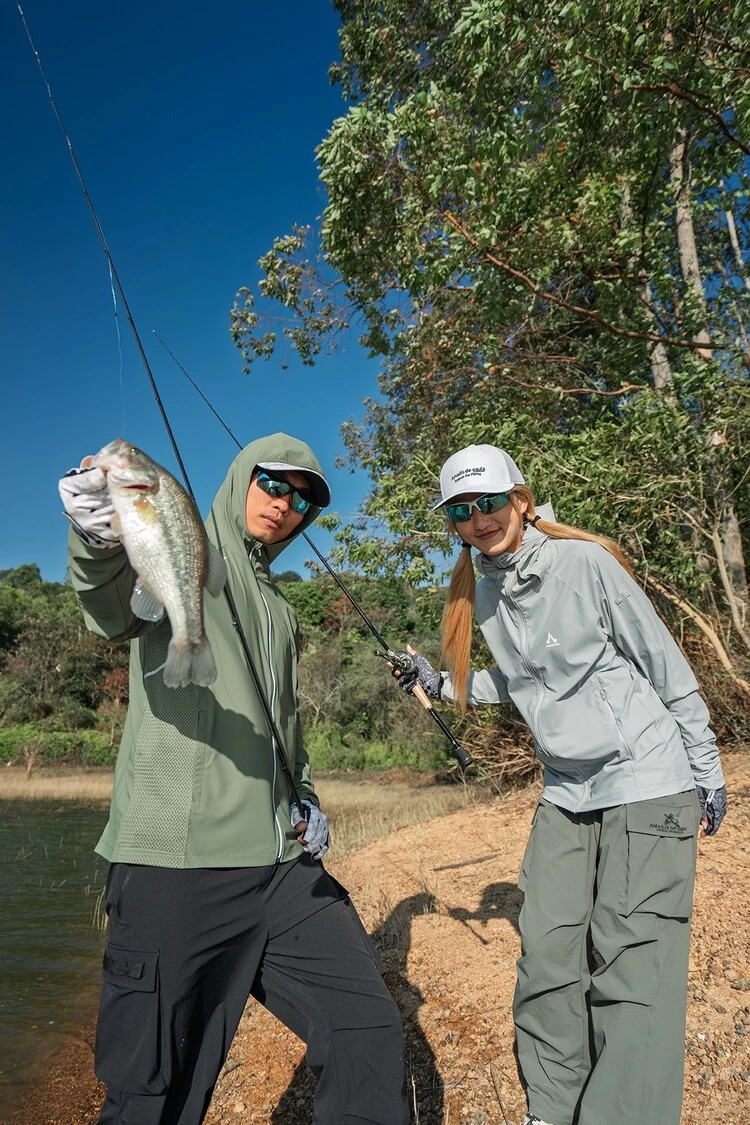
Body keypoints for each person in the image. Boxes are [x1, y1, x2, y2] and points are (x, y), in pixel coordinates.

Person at [58, 432, 409, 1125]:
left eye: (302, 500)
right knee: (155, 1090)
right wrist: (95, 538)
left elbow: (286, 727)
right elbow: (111, 608)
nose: (285, 504)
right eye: (273, 484)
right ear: (242, 477)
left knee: (367, 1027)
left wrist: (306, 797)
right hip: (176, 866)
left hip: (284, 869)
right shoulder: (183, 546)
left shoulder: (280, 608)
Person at [397, 443, 727, 1125]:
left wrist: (706, 766)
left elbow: (662, 663)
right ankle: (551, 1110)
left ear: (520, 499)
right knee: (547, 953)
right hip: (566, 790)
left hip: (644, 775)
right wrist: (443, 680)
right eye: (462, 510)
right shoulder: (485, 591)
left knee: (632, 961)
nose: (479, 518)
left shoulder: (584, 564)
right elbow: (523, 679)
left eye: (489, 501)